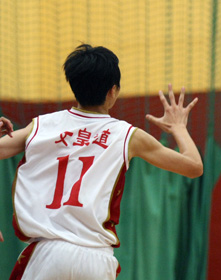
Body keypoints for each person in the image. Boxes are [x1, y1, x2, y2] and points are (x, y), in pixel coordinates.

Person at [0, 44, 203, 279]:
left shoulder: (41, 126)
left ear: (73, 86)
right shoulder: (128, 135)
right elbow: (194, 166)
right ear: (113, 91)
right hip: (95, 260)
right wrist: (178, 128)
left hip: (47, 255)